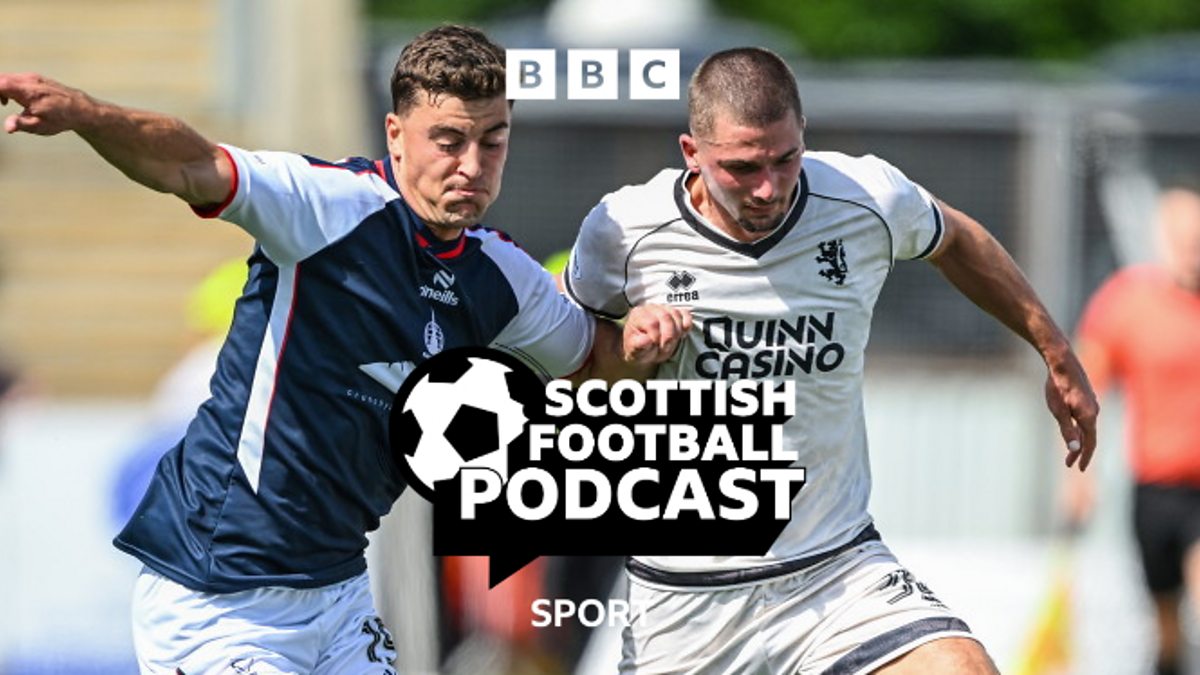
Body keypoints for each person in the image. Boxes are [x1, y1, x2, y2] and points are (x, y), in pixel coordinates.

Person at [0, 25, 683, 675]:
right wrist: (88, 115)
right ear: (395, 134)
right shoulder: (326, 206)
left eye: (492, 141)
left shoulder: (501, 275)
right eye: (448, 140)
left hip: (337, 590)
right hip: (218, 591)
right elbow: (193, 163)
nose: (472, 166)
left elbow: (592, 363)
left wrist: (642, 339)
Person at [565, 47, 1098, 674]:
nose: (768, 188)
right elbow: (573, 375)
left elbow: (955, 238)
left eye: (785, 159)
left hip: (836, 569)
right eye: (742, 168)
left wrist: (1055, 351)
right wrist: (630, 350)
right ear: (692, 152)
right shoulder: (623, 231)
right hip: (686, 598)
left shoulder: (864, 197)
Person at [1066, 182, 1200, 675]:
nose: (1191, 247)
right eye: (1181, 236)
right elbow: (1083, 389)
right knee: (1167, 632)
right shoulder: (1128, 302)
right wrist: (1078, 474)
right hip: (1156, 491)